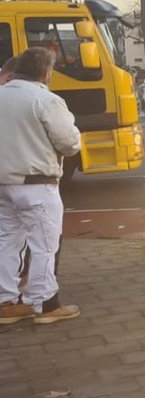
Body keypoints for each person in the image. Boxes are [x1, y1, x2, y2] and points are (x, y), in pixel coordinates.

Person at [0, 47, 82, 326]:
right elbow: (69, 143)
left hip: (3, 185)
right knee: (44, 244)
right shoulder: (45, 100)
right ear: (46, 72)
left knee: (8, 242)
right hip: (37, 184)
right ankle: (44, 303)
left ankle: (6, 302)